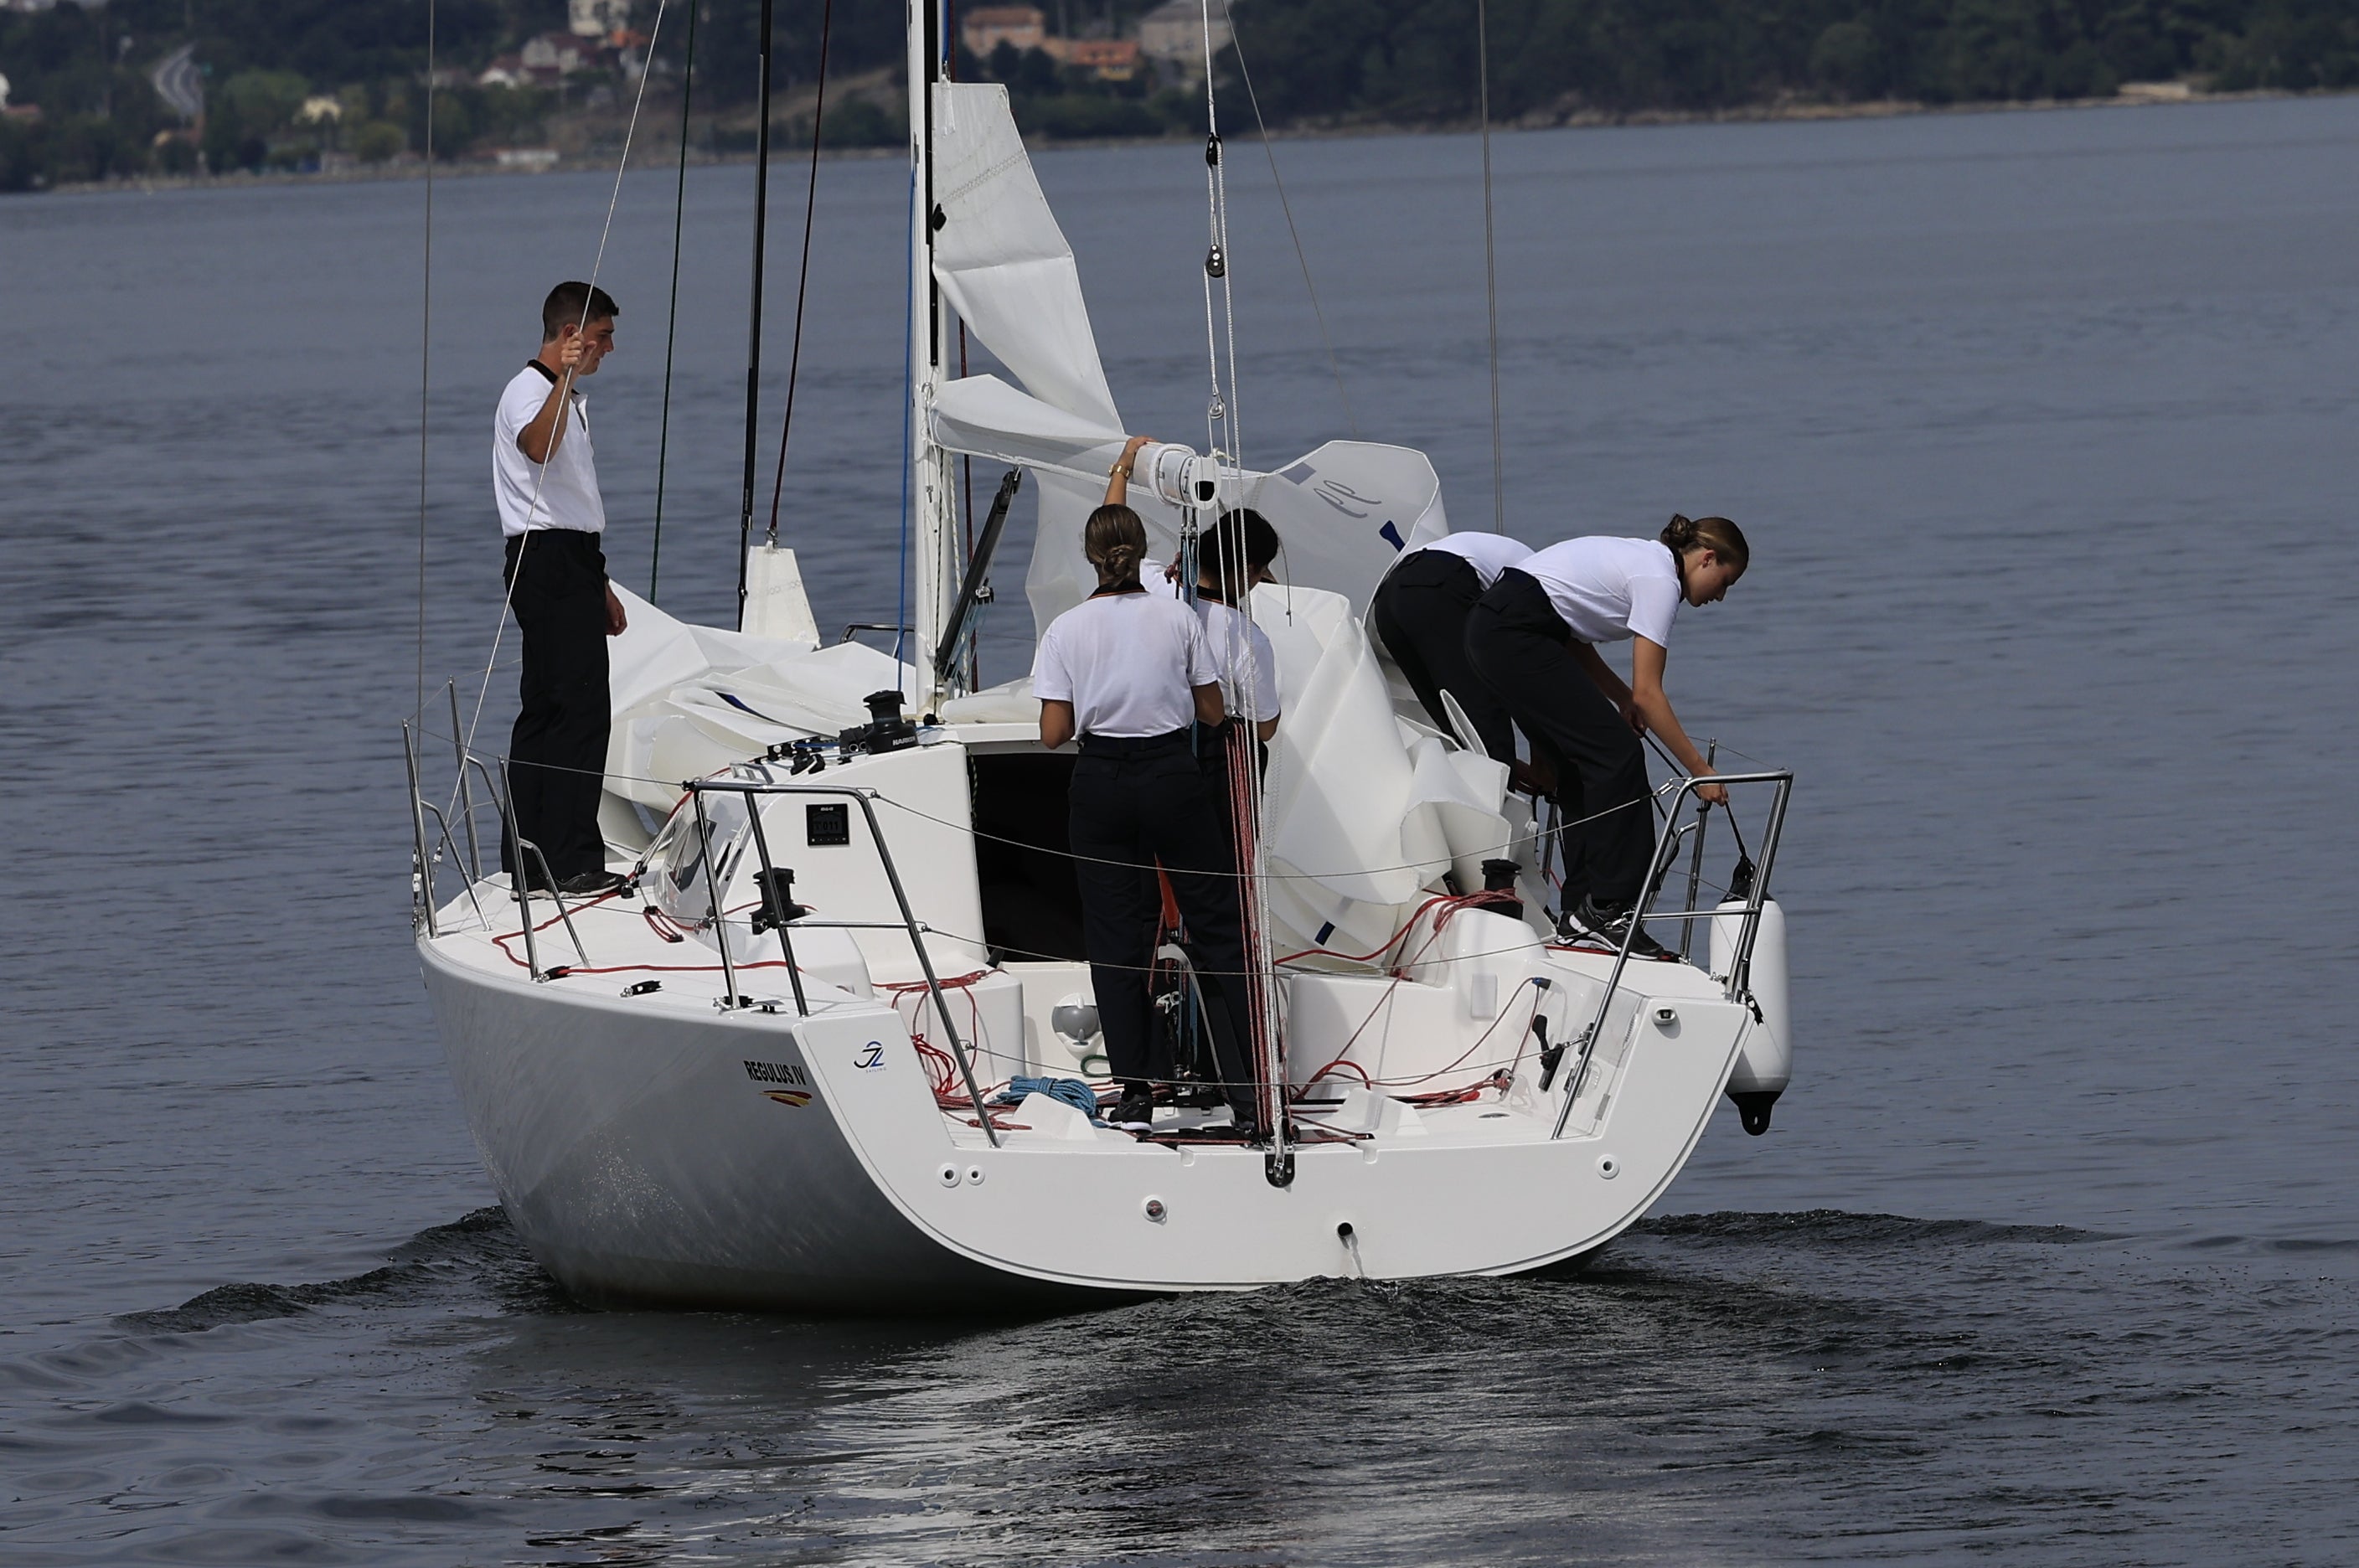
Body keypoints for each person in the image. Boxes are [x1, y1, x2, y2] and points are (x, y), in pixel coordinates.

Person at [1033, 502, 1262, 1137]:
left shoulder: (1066, 629)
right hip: (1170, 777)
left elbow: (1053, 734)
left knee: (1115, 939)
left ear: (1090, 556)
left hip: (1101, 782)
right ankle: (1249, 1094)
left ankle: (1136, 1092)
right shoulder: (1178, 615)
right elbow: (1212, 712)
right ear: (1141, 551)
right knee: (1218, 929)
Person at [1463, 514, 1748, 958]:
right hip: (1515, 633)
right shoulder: (1660, 580)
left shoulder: (1646, 561)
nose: (1722, 596)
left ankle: (1579, 912)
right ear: (1707, 558)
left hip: (1500, 629)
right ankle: (1610, 910)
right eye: (1725, 581)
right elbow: (1650, 694)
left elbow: (1574, 636)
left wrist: (1621, 700)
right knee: (1617, 755)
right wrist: (1700, 771)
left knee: (1582, 766)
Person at [493, 281, 629, 897]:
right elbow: (537, 448)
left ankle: (531, 857)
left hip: (569, 561)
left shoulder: (564, 398)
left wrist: (597, 581)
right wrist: (563, 382)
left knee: (554, 708)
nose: (609, 350)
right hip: (544, 558)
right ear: (570, 337)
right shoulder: (531, 392)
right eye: (601, 338)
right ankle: (571, 860)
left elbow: (569, 500)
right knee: (573, 711)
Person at [1105, 435, 1282, 744]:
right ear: (1249, 570)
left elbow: (1111, 538)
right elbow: (1264, 728)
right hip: (1203, 760)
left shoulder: (1150, 582)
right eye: (1262, 572)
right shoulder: (1245, 638)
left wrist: (1124, 465)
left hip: (1140, 742)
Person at [1369, 531, 1532, 764]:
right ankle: (1499, 788)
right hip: (1436, 584)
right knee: (1485, 714)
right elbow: (1538, 691)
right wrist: (1542, 765)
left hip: (1389, 598)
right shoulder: (1552, 599)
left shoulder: (1538, 574)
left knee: (1455, 731)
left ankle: (1486, 784)